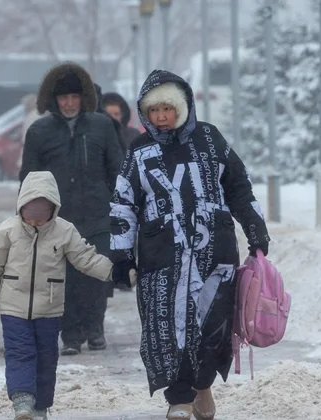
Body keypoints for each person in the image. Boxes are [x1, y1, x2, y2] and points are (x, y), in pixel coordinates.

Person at [109, 70, 271, 420]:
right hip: (161, 257)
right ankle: (179, 397)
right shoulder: (139, 151)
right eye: (154, 111)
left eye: (168, 108)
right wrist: (121, 256)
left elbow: (239, 187)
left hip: (215, 253)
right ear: (145, 114)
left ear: (183, 107)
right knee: (167, 327)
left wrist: (256, 230)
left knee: (212, 326)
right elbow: (123, 204)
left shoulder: (210, 140)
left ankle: (203, 384)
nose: (162, 117)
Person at [0, 170, 120, 420]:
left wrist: (116, 273)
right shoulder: (8, 230)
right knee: (20, 353)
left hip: (49, 310)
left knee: (47, 357)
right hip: (13, 308)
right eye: (30, 218)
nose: (34, 224)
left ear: (53, 211)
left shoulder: (64, 232)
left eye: (41, 219)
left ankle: (41, 406)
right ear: (21, 209)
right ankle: (22, 400)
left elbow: (85, 259)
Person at [20, 62, 124, 356]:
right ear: (54, 100)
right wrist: (28, 215)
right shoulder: (40, 132)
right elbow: (29, 176)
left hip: (98, 213)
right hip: (58, 219)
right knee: (64, 279)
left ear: (83, 98)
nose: (68, 103)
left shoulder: (102, 127)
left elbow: (116, 168)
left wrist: (122, 207)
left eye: (74, 97)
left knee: (97, 274)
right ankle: (71, 335)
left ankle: (95, 328)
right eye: (63, 98)